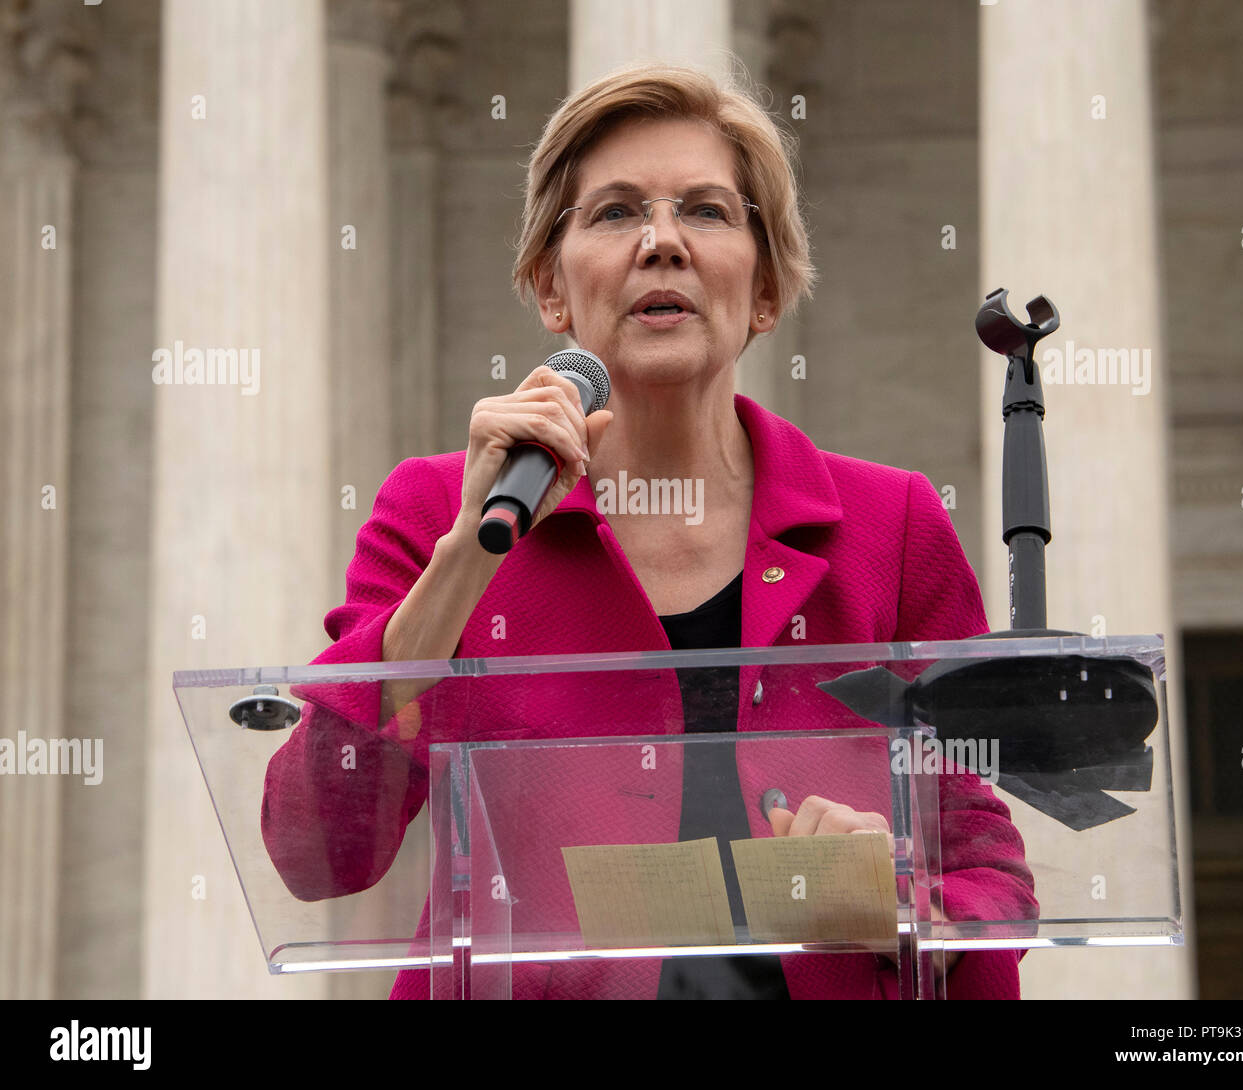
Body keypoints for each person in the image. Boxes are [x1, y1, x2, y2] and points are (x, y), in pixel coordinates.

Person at [261, 61, 1036, 1000]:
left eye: (705, 211)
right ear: (553, 288)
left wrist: (903, 901)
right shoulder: (437, 515)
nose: (661, 242)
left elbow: (988, 869)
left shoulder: (891, 527)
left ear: (763, 292)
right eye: (617, 212)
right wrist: (463, 561)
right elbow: (315, 849)